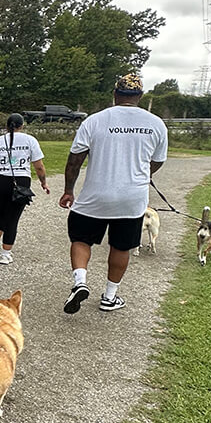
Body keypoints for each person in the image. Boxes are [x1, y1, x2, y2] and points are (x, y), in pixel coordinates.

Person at [58, 71, 168, 314]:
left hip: (95, 196)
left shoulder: (94, 121)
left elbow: (75, 160)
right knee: (121, 246)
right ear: (140, 95)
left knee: (81, 239)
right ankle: (109, 297)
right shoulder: (156, 124)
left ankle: (80, 282)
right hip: (132, 198)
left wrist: (68, 190)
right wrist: (143, 174)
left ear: (115, 94)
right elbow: (158, 161)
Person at [0, 112, 50, 265]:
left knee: (2, 211)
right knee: (13, 218)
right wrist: (43, 182)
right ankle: (6, 253)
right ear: (22, 126)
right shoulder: (30, 140)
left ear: (6, 126)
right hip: (21, 180)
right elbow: (39, 166)